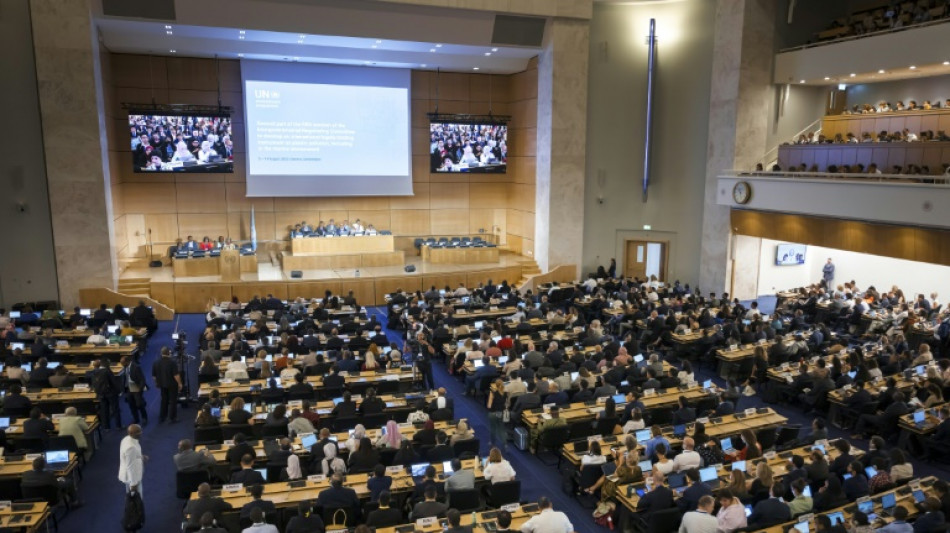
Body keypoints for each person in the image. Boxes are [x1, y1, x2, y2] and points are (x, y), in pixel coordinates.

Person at [89, 358, 122, 430]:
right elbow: (113, 382)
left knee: (104, 411)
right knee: (115, 409)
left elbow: (93, 383)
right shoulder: (107, 371)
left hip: (100, 394)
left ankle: (106, 427)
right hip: (111, 393)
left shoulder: (94, 372)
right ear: (106, 363)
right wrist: (119, 391)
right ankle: (118, 426)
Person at [152, 346, 182, 423]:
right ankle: (172, 417)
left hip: (162, 384)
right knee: (173, 401)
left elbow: (154, 376)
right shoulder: (172, 362)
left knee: (164, 400)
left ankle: (162, 416)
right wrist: (179, 383)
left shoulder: (156, 362)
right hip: (172, 385)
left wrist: (156, 383)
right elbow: (176, 375)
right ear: (169, 353)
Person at [119, 355, 148, 426]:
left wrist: (140, 391)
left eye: (122, 363)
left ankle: (144, 418)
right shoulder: (125, 367)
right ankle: (136, 419)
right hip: (128, 388)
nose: (122, 365)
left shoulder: (136, 367)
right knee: (131, 404)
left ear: (127, 362)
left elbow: (142, 379)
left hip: (136, 387)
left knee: (139, 404)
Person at [118, 424, 146, 494]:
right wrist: (133, 483)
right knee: (136, 498)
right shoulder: (131, 447)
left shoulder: (126, 439)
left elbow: (130, 456)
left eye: (140, 431)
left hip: (130, 475)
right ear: (131, 433)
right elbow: (130, 466)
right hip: (133, 477)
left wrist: (141, 457)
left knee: (131, 495)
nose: (140, 433)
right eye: (137, 431)